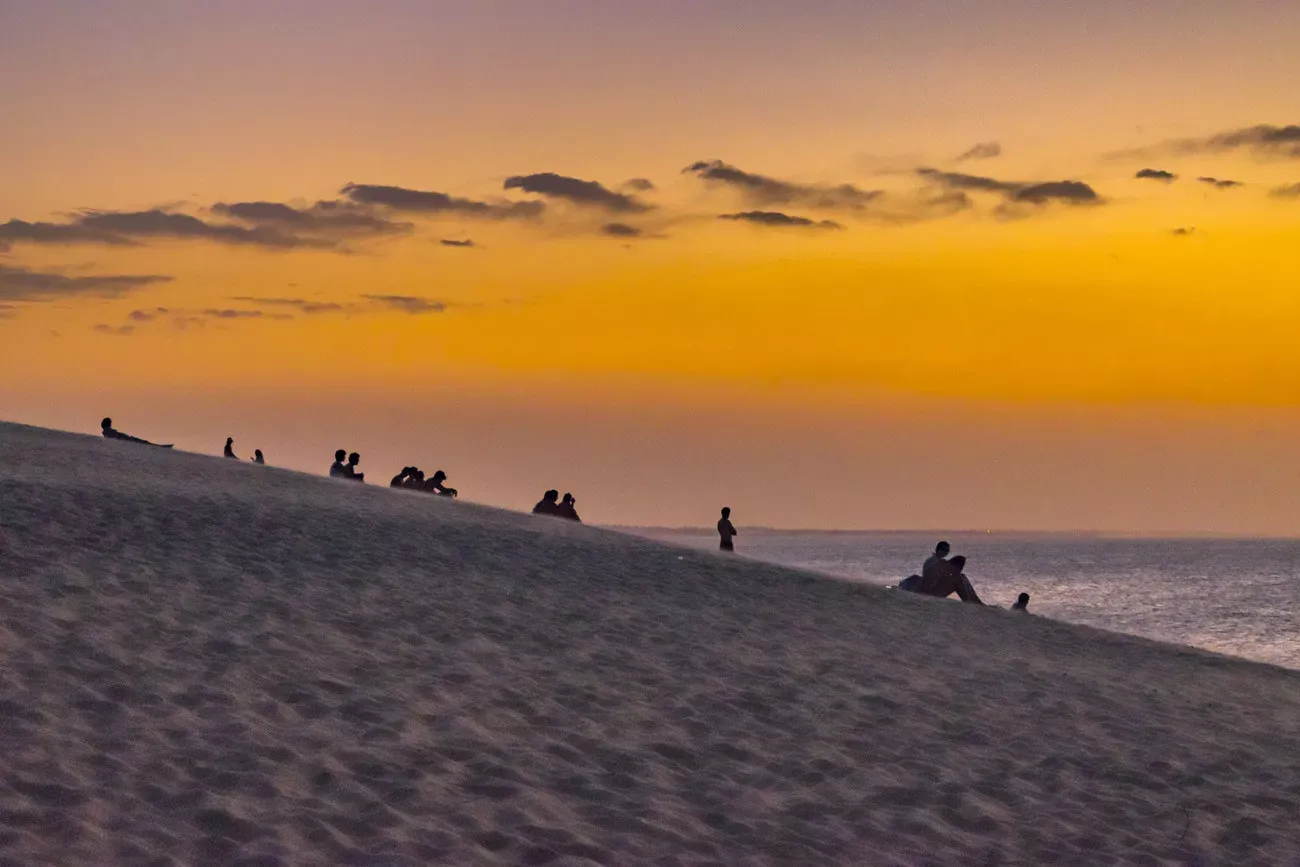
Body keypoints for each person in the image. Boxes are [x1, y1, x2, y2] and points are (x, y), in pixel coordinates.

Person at [900, 541, 985, 604]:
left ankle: (975, 601)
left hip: (930, 590)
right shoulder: (934, 562)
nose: (947, 552)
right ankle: (971, 603)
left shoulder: (937, 561)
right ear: (940, 550)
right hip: (929, 593)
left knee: (961, 576)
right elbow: (929, 580)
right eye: (946, 551)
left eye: (948, 551)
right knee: (959, 578)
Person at [100, 417, 171, 447]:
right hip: (127, 440)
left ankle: (158, 446)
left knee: (144, 442)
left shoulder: (107, 431)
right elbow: (115, 439)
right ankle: (159, 447)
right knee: (144, 443)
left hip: (127, 439)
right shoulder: (107, 431)